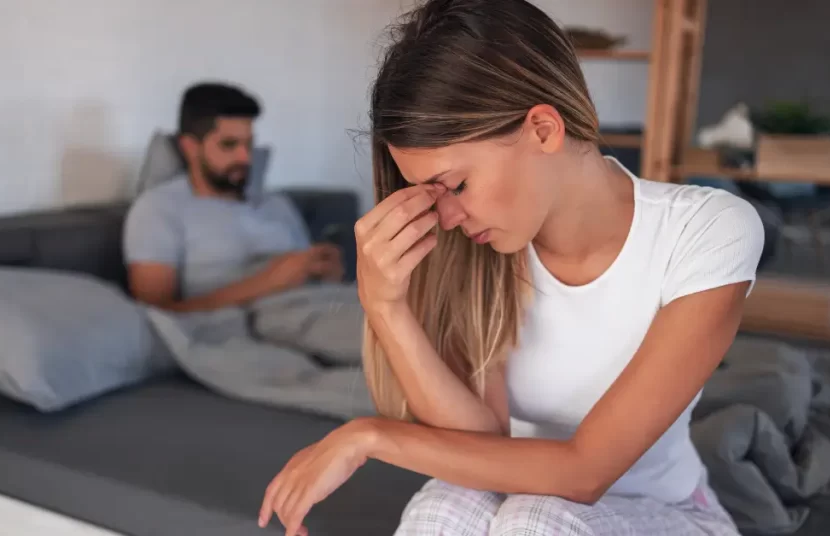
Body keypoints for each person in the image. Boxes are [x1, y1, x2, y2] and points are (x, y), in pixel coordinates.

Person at [258, 0, 763, 535]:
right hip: (521, 502)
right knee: (442, 508)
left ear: (543, 129)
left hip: (668, 514)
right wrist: (384, 306)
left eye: (456, 185)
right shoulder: (490, 251)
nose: (446, 218)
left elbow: (585, 473)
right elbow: (482, 443)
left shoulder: (708, 230)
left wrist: (368, 436)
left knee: (536, 520)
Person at [124, 82, 343, 312]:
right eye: (229, 145)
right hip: (268, 320)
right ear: (190, 147)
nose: (245, 157)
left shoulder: (277, 204)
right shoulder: (158, 209)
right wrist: (267, 283)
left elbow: (309, 274)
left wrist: (328, 274)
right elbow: (155, 317)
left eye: (249, 144)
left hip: (329, 306)